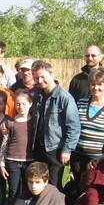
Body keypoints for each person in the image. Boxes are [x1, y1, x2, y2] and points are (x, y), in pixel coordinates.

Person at [71, 68, 104, 198]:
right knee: (79, 189)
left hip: (100, 158)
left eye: (100, 84)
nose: (96, 88)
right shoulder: (81, 103)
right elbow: (74, 127)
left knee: (94, 191)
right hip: (79, 156)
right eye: (93, 84)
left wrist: (103, 157)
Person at [31, 60, 80, 191]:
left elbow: (73, 127)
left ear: (51, 74)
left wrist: (67, 150)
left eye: (43, 77)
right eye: (36, 78)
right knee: (38, 182)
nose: (40, 81)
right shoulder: (37, 96)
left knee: (54, 186)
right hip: (38, 148)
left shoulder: (64, 98)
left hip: (55, 149)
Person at [0, 91, 35, 205]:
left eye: (24, 104)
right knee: (14, 190)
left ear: (30, 104)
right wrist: (2, 164)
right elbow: (5, 143)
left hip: (29, 161)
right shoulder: (10, 123)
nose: (21, 107)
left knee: (27, 188)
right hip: (12, 160)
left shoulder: (34, 122)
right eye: (18, 104)